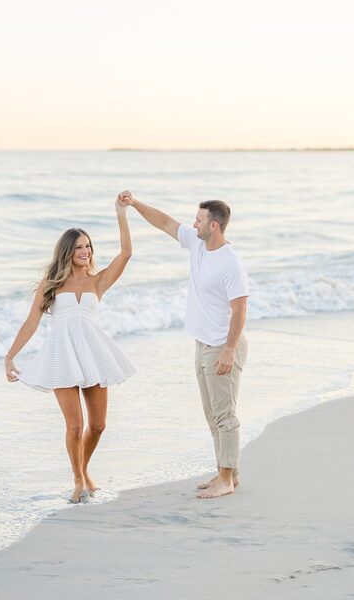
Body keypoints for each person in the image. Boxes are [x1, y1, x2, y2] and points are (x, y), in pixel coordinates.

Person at [4, 198, 136, 503]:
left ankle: (84, 467)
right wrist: (9, 356)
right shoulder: (50, 284)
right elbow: (31, 322)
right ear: (67, 251)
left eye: (88, 246)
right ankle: (78, 478)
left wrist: (121, 215)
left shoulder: (98, 281)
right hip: (62, 355)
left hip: (92, 354)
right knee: (75, 426)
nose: (85, 251)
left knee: (99, 425)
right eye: (79, 247)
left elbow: (127, 253)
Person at [119, 192, 248, 499]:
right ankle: (226, 472)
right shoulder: (197, 244)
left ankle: (226, 480)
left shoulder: (231, 263)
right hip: (203, 344)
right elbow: (165, 222)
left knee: (224, 415)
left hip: (222, 344)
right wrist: (135, 205)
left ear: (214, 226)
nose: (194, 223)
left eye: (199, 220)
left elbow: (241, 309)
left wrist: (229, 349)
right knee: (210, 412)